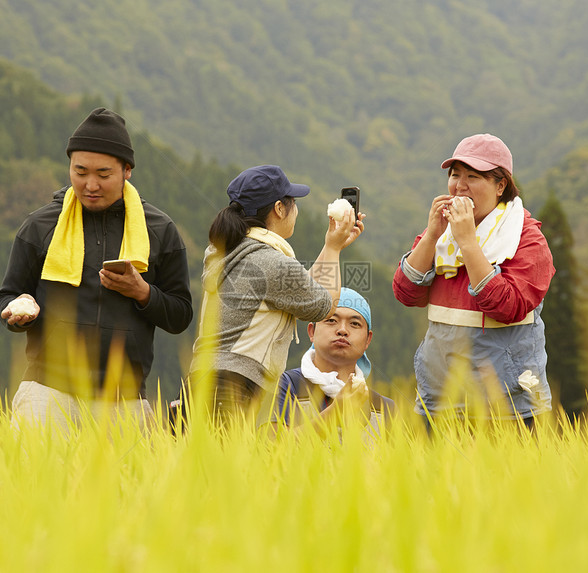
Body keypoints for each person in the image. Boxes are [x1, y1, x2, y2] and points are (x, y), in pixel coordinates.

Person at [0, 107, 193, 431]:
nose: (90, 184)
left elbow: (180, 315)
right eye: (80, 171)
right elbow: (8, 295)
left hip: (124, 402)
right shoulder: (41, 225)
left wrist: (142, 293)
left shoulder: (159, 230)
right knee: (31, 482)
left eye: (103, 174)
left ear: (127, 170)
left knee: (126, 484)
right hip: (46, 393)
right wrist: (18, 312)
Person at [392, 133, 555, 426]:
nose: (460, 185)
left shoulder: (527, 238)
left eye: (473, 176)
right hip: (440, 400)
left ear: (500, 184)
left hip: (509, 406)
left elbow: (508, 306)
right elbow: (406, 292)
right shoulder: (442, 234)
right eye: (455, 175)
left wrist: (468, 243)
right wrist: (431, 234)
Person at [188, 165, 363, 423]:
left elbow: (302, 290)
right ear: (279, 209)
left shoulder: (233, 250)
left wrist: (329, 244)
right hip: (231, 388)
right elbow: (323, 306)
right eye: (293, 202)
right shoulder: (268, 260)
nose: (296, 210)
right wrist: (334, 249)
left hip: (205, 382)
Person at [273, 287, 395, 440]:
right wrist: (336, 412)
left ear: (367, 340)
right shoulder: (284, 385)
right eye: (331, 320)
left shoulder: (383, 407)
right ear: (311, 332)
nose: (342, 330)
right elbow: (271, 447)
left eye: (355, 324)